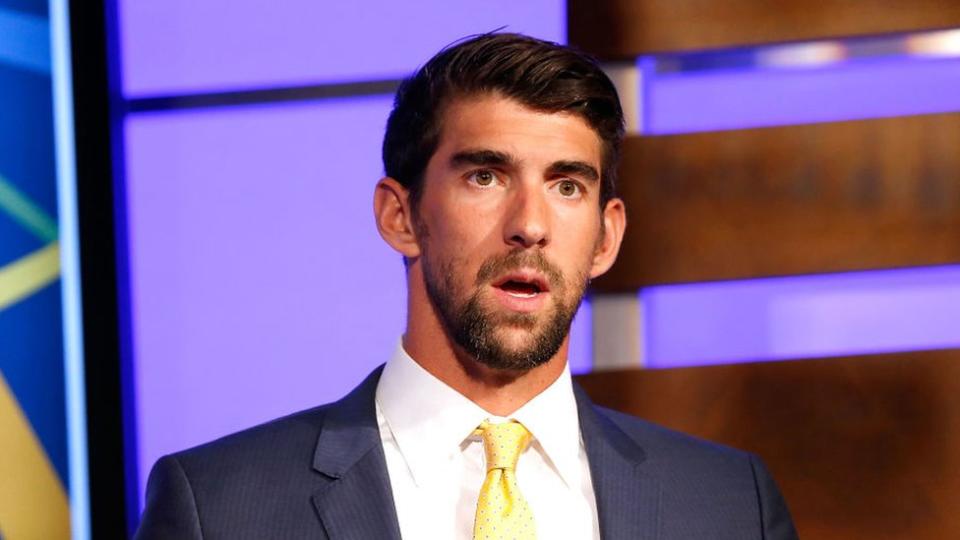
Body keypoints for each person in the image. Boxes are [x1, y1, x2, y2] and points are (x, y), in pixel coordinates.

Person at [135, 33, 798, 539]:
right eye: (486, 176)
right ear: (401, 217)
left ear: (605, 238)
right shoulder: (221, 508)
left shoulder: (728, 504)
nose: (530, 226)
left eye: (568, 186)